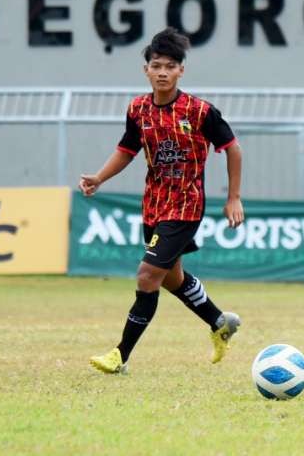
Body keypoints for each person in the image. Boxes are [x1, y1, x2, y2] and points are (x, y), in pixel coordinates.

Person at [83, 28, 245, 375]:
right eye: (156, 65)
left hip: (186, 206)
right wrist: (99, 178)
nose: (162, 72)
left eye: (170, 66)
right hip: (154, 205)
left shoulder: (199, 111)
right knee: (171, 279)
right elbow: (127, 150)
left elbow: (233, 148)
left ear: (181, 71)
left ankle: (120, 355)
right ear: (146, 70)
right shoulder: (138, 109)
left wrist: (233, 197)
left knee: (146, 276)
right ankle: (220, 321)